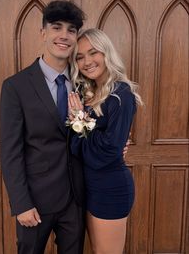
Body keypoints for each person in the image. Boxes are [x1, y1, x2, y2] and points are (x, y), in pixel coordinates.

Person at [0, 0, 86, 254]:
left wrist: (116, 146)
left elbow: (88, 134)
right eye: (56, 27)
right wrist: (21, 204)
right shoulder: (15, 86)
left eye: (71, 30)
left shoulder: (84, 82)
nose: (64, 35)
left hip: (76, 198)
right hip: (34, 201)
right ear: (43, 32)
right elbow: (10, 151)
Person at [68, 28, 143, 254]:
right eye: (80, 57)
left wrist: (81, 119)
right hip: (90, 186)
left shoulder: (122, 93)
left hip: (110, 187)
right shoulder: (89, 93)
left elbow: (108, 150)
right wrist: (83, 125)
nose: (87, 61)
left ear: (106, 52)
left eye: (93, 53)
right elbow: (75, 145)